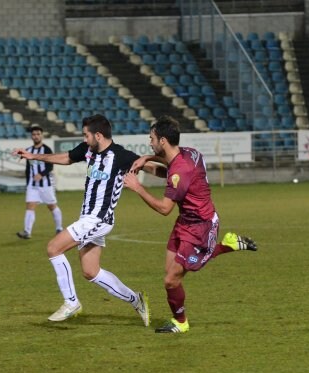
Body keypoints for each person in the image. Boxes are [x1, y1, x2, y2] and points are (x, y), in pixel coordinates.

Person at [13, 114, 163, 326]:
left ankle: (71, 302)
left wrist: (174, 170)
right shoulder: (88, 150)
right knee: (90, 271)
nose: (84, 139)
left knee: (54, 248)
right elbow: (66, 157)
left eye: (86, 135)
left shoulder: (121, 156)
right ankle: (135, 299)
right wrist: (32, 156)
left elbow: (154, 170)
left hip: (99, 219)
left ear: (98, 135)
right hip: (88, 218)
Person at [124, 115, 258, 334]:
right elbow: (169, 171)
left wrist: (138, 188)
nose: (150, 142)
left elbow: (164, 208)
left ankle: (181, 322)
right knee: (170, 276)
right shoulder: (188, 153)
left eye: (152, 139)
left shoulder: (181, 170)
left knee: (171, 279)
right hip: (184, 222)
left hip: (201, 227)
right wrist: (146, 158)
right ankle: (230, 244)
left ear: (163, 141)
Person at [16, 125, 63, 239]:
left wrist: (41, 174)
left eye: (38, 134)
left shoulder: (46, 150)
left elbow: (50, 166)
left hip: (46, 184)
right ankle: (27, 232)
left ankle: (59, 228)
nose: (36, 136)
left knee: (52, 206)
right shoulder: (29, 151)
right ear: (31, 136)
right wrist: (28, 183)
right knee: (30, 206)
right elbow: (28, 168)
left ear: (41, 136)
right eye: (34, 134)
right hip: (32, 185)